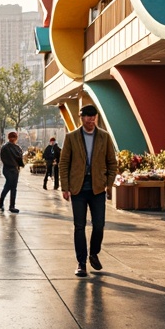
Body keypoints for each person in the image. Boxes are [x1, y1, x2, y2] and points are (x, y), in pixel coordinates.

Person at [59, 105, 118, 277]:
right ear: (81, 118)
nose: (91, 120)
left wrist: (108, 183)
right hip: (78, 188)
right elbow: (64, 163)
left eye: (94, 117)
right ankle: (81, 263)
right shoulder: (71, 137)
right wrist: (65, 187)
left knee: (99, 225)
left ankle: (94, 253)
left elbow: (112, 163)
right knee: (79, 226)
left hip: (97, 187)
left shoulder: (104, 137)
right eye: (88, 117)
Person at [0, 131, 25, 213]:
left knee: (9, 186)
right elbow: (20, 159)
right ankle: (11, 206)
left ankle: (2, 203)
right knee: (12, 187)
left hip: (7, 169)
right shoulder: (17, 148)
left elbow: (3, 158)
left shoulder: (4, 147)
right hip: (13, 169)